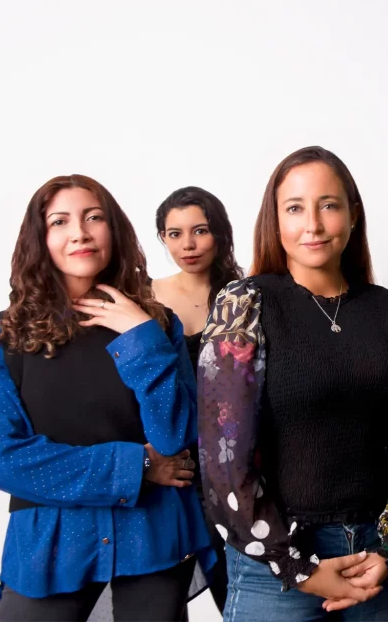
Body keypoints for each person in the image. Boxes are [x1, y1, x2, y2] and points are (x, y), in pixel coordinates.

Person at [197, 146, 388, 621]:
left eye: (328, 204)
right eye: (295, 208)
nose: (313, 224)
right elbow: (222, 461)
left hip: (376, 558)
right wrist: (295, 566)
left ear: (352, 214)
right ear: (275, 220)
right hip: (275, 562)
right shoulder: (246, 304)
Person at [0, 174, 215, 622]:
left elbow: (178, 439)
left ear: (114, 230)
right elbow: (2, 459)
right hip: (50, 547)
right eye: (60, 221)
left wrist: (142, 336)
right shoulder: (6, 335)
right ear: (40, 238)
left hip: (153, 540)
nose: (80, 232)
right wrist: (137, 466)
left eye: (93, 218)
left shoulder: (156, 324)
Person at [154, 186, 244, 613]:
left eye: (199, 231)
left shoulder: (247, 294)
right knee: (165, 588)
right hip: (177, 459)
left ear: (220, 234)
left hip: (239, 454)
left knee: (244, 581)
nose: (186, 245)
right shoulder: (144, 295)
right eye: (174, 234)